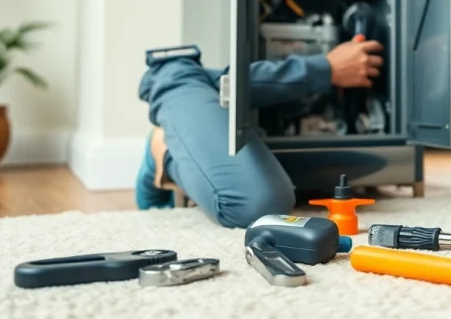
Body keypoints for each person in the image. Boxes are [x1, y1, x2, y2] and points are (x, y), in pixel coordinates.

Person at [134, 35, 384, 228]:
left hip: (205, 84)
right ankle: (167, 151)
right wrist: (325, 69)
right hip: (178, 81)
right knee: (256, 203)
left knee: (358, 166)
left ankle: (194, 125)